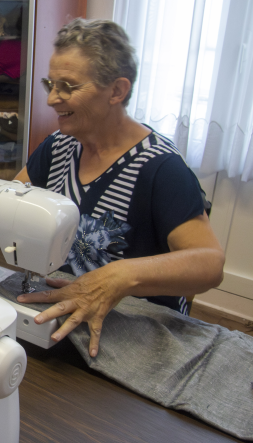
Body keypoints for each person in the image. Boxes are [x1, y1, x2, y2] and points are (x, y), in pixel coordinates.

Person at [14, 18, 225, 357]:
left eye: (68, 86)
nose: (52, 98)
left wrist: (121, 275)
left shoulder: (160, 167)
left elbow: (210, 265)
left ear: (117, 91)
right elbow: (10, 202)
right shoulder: (58, 147)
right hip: (65, 320)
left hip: (135, 335)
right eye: (50, 84)